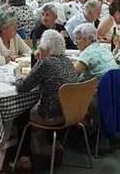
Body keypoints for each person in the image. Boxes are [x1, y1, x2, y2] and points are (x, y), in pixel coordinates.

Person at [12, 29, 77, 170]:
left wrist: (17, 75)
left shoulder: (46, 63)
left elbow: (23, 87)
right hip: (70, 112)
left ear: (45, 47)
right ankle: (55, 146)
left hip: (51, 115)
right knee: (39, 104)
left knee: (20, 114)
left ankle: (24, 157)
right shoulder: (67, 61)